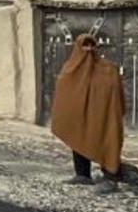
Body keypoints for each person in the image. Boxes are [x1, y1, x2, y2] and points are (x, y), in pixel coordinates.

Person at [51, 34, 126, 194]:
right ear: (78, 48)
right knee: (78, 136)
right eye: (85, 46)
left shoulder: (108, 68)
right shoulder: (71, 69)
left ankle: (110, 177)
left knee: (108, 140)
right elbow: (65, 91)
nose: (88, 49)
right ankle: (82, 174)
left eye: (92, 45)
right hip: (81, 116)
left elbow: (116, 93)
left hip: (105, 115)